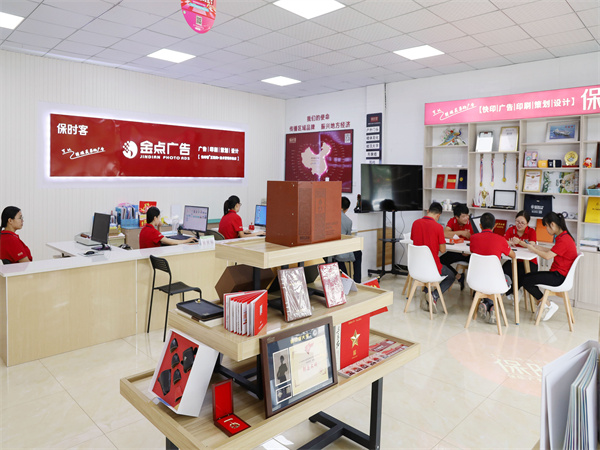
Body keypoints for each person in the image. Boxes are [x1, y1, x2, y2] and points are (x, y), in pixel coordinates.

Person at [516, 212, 577, 322]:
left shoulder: (564, 240)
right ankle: (543, 304)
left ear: (552, 224)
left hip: (558, 277)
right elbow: (552, 250)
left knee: (525, 280)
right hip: (558, 275)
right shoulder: (564, 237)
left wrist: (533, 249)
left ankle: (547, 304)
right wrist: (536, 247)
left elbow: (547, 256)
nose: (547, 230)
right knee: (527, 278)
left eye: (546, 227)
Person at [470, 212, 516, 324]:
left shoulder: (473, 238)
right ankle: (492, 305)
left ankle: (487, 303)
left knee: (488, 283)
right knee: (508, 280)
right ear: (495, 226)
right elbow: (513, 255)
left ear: (480, 225)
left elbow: (472, 251)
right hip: (494, 281)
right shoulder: (500, 239)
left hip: (477, 280)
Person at [410, 202, 455, 313]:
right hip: (432, 268)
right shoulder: (438, 227)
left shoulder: (415, 223)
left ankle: (426, 293)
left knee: (430, 274)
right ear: (438, 216)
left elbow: (413, 240)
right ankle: (434, 295)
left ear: (428, 211)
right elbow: (443, 250)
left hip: (416, 268)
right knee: (451, 276)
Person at [502, 210, 538, 299]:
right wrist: (509, 242)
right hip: (515, 260)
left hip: (529, 262)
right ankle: (511, 292)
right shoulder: (511, 229)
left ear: (527, 223)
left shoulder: (531, 231)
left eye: (522, 223)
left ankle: (512, 292)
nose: (519, 224)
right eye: (517, 221)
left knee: (520, 274)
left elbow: (532, 245)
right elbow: (503, 241)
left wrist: (520, 242)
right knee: (504, 269)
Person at [439, 203, 472, 290]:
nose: (466, 218)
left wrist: (469, 252)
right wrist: (461, 232)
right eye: (463, 216)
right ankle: (458, 276)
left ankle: (477, 292)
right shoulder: (452, 221)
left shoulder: (472, 222)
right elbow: (445, 233)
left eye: (467, 215)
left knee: (479, 265)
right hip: (457, 252)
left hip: (470, 254)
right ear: (456, 217)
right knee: (440, 262)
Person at [334, 196, 362, 282]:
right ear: (347, 209)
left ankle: (346, 277)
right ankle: (357, 281)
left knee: (338, 256)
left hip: (328, 250)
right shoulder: (348, 221)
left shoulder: (328, 215)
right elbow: (347, 239)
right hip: (338, 251)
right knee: (358, 253)